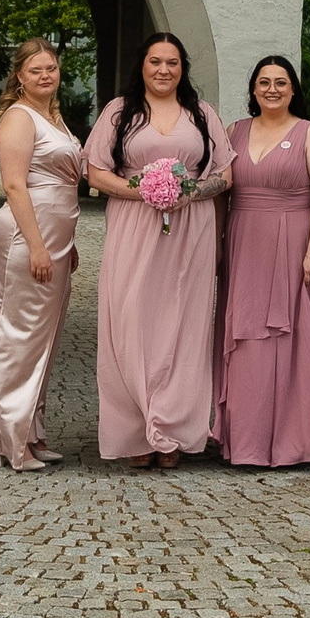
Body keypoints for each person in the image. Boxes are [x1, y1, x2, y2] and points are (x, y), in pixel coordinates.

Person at [82, 32, 233, 468]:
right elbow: (95, 173)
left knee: (183, 324)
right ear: (142, 66)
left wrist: (190, 191)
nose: (163, 70)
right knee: (131, 321)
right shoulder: (119, 112)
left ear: (182, 67)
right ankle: (136, 431)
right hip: (134, 225)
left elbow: (226, 174)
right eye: (155, 62)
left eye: (172, 62)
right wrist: (142, 189)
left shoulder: (201, 114)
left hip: (192, 228)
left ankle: (172, 433)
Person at [217, 55, 310, 467]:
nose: (272, 89)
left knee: (296, 341)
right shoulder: (233, 132)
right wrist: (217, 247)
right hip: (244, 244)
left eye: (281, 82)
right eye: (264, 82)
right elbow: (221, 192)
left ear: (293, 89)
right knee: (247, 343)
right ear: (253, 90)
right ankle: (246, 441)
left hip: (295, 242)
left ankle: (298, 439)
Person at [0, 37, 83, 472]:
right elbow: (13, 185)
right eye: (36, 70)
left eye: (51, 68)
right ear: (20, 77)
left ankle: (32, 431)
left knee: (44, 338)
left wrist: (67, 243)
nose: (46, 76)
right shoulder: (18, 117)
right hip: (27, 238)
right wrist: (39, 244)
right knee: (17, 337)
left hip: (55, 240)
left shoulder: (55, 118)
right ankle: (13, 442)